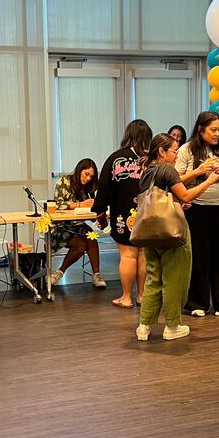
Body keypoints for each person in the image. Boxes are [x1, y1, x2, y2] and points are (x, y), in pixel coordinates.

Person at [135, 134, 219, 341]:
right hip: (172, 232)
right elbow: (185, 195)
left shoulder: (147, 171)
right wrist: (210, 180)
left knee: (153, 279)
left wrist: (181, 200)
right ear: (162, 152)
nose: (176, 155)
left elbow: (166, 194)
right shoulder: (166, 169)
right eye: (174, 151)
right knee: (174, 279)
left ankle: (144, 326)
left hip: (149, 233)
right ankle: (172, 326)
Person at [175, 111, 219, 319]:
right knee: (198, 257)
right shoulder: (186, 150)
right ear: (200, 129)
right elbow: (177, 180)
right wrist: (198, 171)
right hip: (195, 209)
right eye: (213, 130)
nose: (217, 134)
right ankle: (196, 303)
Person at [92, 120, 152, 309]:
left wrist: (100, 209)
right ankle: (142, 296)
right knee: (143, 254)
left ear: (128, 135)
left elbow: (104, 186)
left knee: (128, 255)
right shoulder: (151, 160)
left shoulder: (116, 158)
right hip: (149, 213)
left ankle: (126, 297)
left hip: (122, 214)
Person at [50, 158, 106, 289]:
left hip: (77, 225)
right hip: (61, 226)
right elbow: (57, 205)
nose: (88, 178)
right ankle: (60, 272)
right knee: (80, 245)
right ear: (79, 170)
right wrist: (79, 205)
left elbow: (89, 212)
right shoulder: (65, 181)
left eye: (91, 176)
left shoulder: (87, 188)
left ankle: (96, 275)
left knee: (92, 237)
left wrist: (98, 214)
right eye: (86, 174)